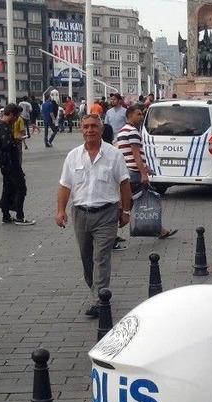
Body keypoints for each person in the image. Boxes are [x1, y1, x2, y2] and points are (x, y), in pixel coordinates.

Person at [55, 114, 132, 317]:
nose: (90, 130)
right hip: (80, 214)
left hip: (106, 213)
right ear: (82, 129)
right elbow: (65, 185)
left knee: (101, 257)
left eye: (94, 127)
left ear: (101, 129)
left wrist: (125, 210)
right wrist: (60, 210)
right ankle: (96, 290)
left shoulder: (114, 155)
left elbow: (124, 183)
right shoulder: (73, 156)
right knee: (86, 258)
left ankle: (100, 299)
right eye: (86, 126)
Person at [114, 104, 178, 244]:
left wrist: (145, 167)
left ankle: (159, 230)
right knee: (135, 202)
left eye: (141, 114)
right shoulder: (132, 132)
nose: (141, 117)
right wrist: (143, 173)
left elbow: (127, 154)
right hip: (134, 174)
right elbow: (136, 155)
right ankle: (110, 233)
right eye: (138, 114)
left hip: (128, 171)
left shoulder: (123, 131)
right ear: (129, 115)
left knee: (127, 203)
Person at [0, 104, 35, 226]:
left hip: (3, 164)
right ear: (11, 114)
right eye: (16, 117)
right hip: (11, 163)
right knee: (21, 188)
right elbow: (7, 145)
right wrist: (16, 141)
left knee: (7, 188)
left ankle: (6, 215)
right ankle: (19, 216)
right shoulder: (5, 127)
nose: (16, 119)